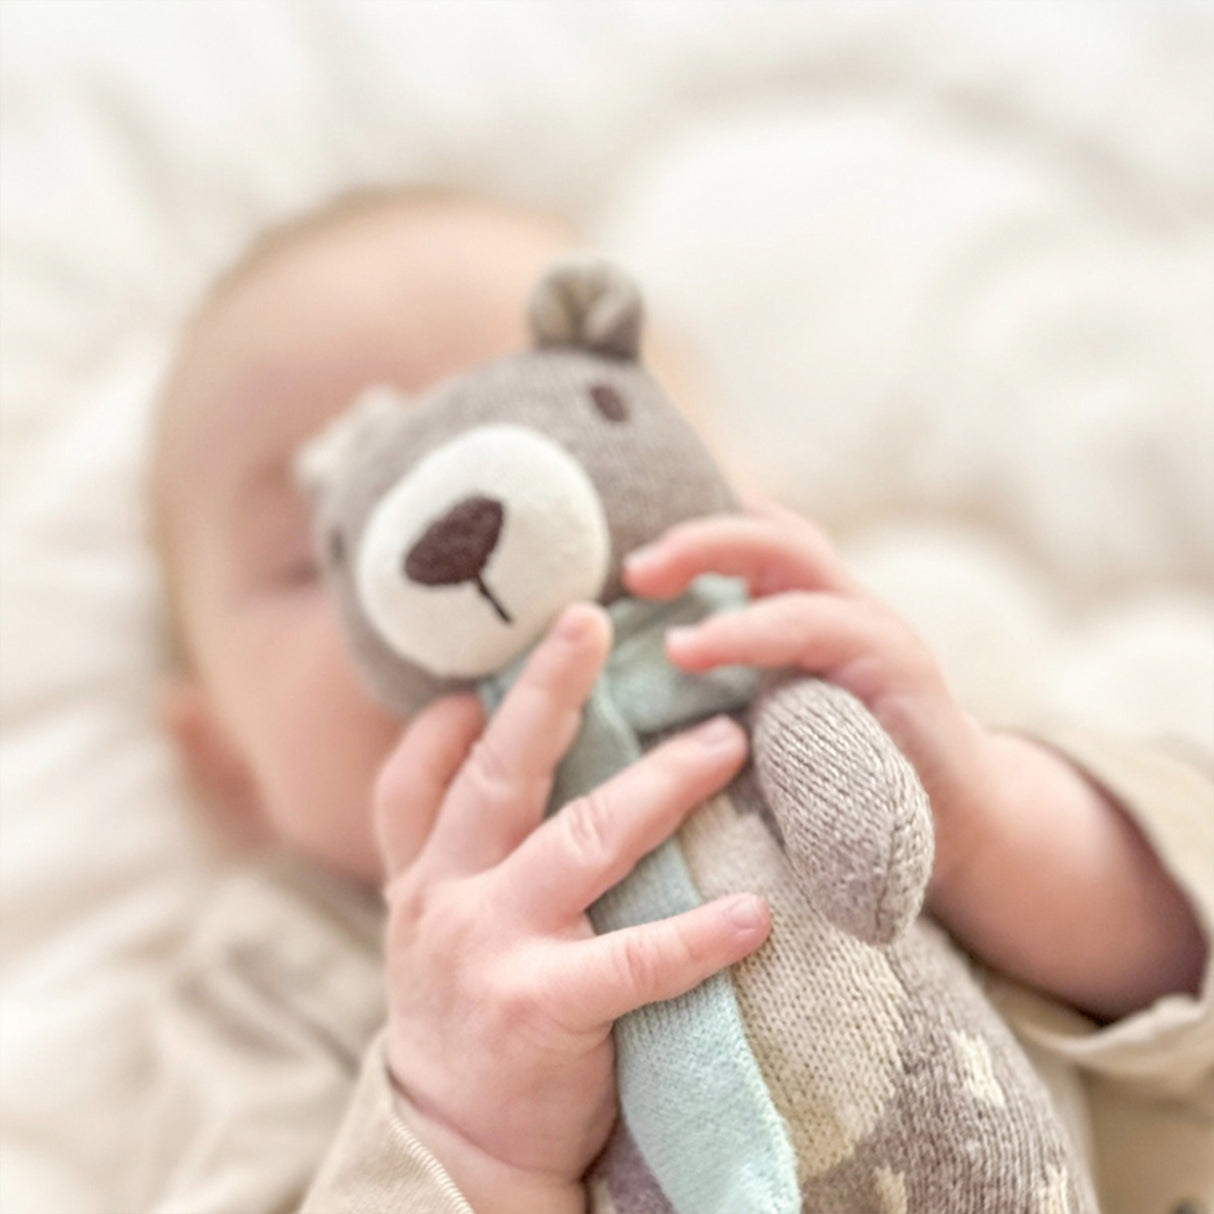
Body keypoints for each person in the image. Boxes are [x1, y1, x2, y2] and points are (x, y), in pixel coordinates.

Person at [145, 188, 1212, 1214]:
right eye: (314, 552)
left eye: (568, 438)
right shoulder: (268, 982)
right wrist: (463, 1133)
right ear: (226, 762)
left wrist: (996, 830)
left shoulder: (878, 726)